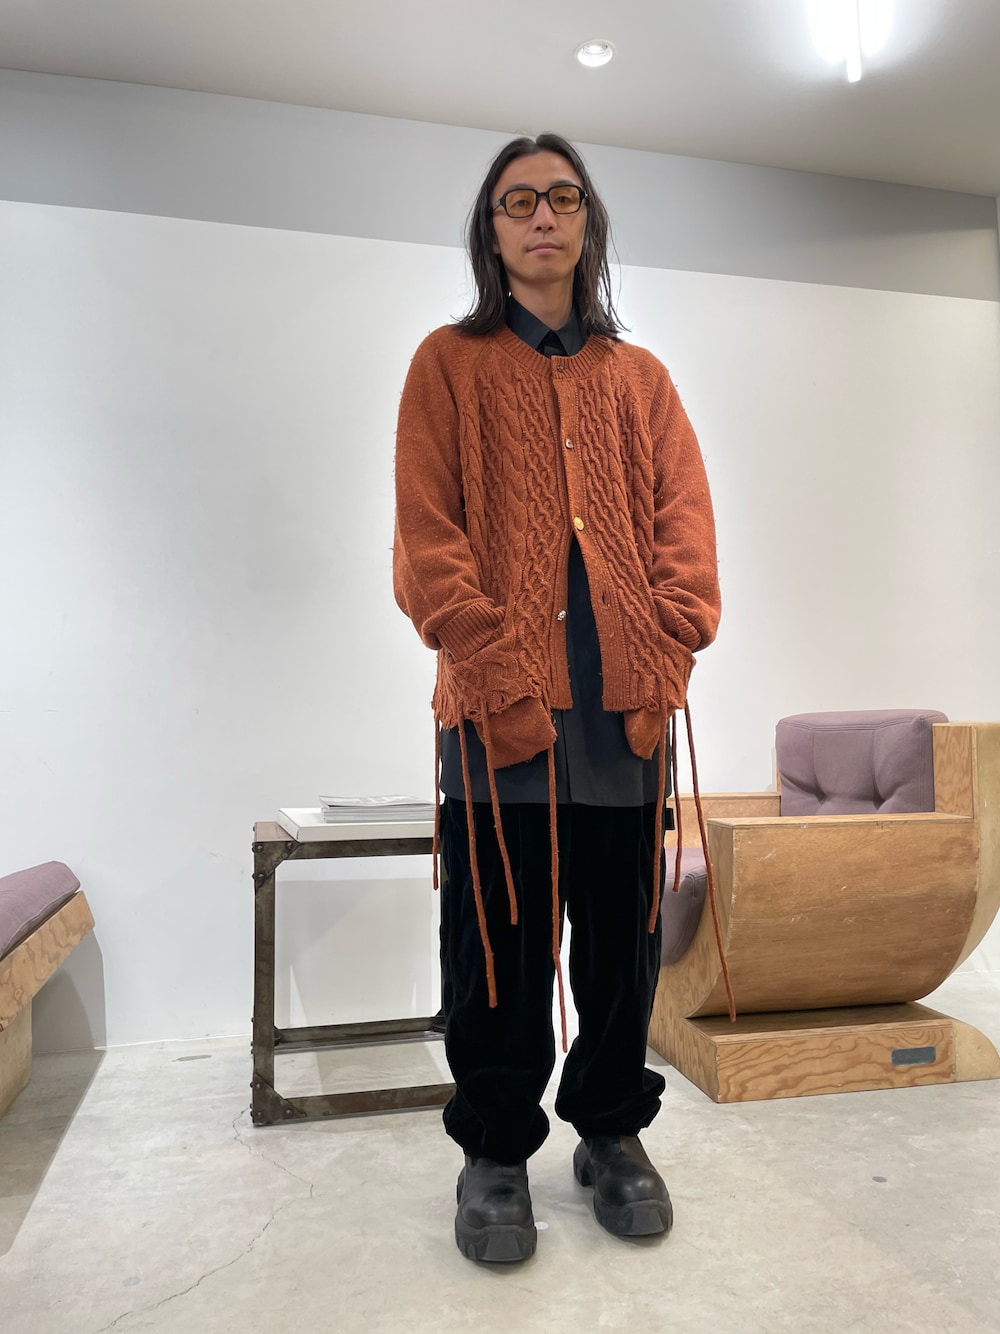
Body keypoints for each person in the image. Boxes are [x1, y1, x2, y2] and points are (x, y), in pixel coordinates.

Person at [393, 133, 721, 1263]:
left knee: (621, 953)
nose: (543, 216)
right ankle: (494, 1151)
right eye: (519, 200)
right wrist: (490, 669)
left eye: (564, 198)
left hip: (624, 718)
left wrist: (668, 647)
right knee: (495, 952)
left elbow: (686, 531)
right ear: (491, 231)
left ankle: (611, 1132)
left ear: (588, 222)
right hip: (497, 727)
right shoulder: (447, 365)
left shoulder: (641, 380)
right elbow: (426, 542)